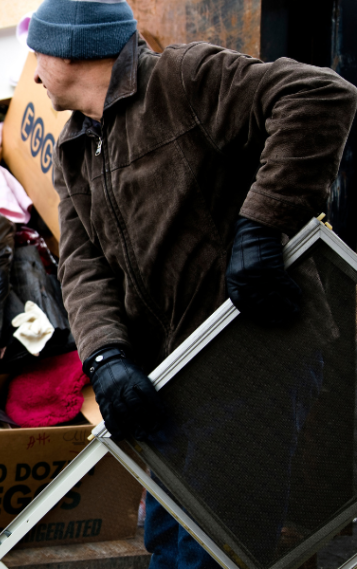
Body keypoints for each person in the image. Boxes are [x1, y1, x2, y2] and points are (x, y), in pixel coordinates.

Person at [24, 1, 357, 568]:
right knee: (168, 543)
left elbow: (320, 95)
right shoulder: (74, 148)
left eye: (36, 53)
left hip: (248, 361)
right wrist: (106, 358)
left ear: (70, 51)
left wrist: (261, 224)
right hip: (169, 380)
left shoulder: (183, 79)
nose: (31, 72)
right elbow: (82, 266)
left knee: (215, 552)